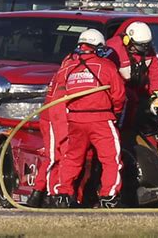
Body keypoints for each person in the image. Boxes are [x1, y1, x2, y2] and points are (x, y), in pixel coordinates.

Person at [54, 29, 126, 208]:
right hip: (101, 119)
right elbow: (119, 95)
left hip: (75, 121)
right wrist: (114, 113)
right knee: (111, 158)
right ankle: (108, 196)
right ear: (98, 46)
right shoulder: (107, 66)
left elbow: (59, 93)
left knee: (72, 158)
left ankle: (63, 193)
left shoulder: (67, 68)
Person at [107, 21, 158, 129]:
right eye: (139, 46)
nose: (144, 50)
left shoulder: (149, 52)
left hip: (138, 91)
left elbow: (155, 72)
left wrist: (156, 92)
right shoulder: (112, 48)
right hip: (117, 92)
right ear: (127, 41)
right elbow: (105, 72)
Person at [26, 72, 68, 207]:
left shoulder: (68, 67)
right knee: (54, 157)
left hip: (58, 115)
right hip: (53, 116)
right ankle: (48, 194)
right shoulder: (69, 69)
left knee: (63, 156)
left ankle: (44, 193)